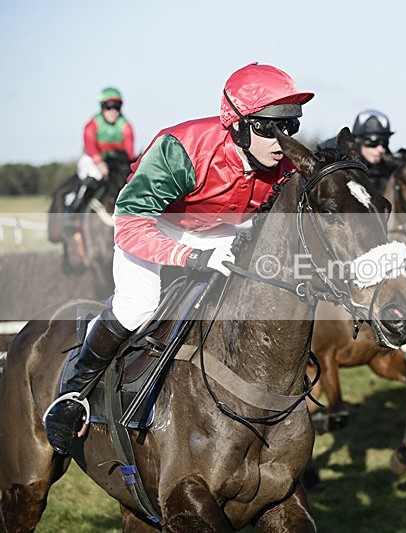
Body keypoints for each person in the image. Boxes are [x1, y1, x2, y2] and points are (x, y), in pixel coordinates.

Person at [44, 63, 314, 454]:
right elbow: (130, 224)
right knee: (138, 306)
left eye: (289, 127)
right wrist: (188, 257)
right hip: (152, 224)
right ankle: (72, 395)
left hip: (220, 229)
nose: (281, 140)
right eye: (267, 127)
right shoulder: (181, 150)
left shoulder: (284, 166)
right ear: (236, 124)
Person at [67, 87, 136, 215]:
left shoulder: (126, 126)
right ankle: (73, 212)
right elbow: (90, 146)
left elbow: (129, 153)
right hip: (91, 160)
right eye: (108, 107)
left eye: (117, 106)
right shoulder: (92, 124)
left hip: (113, 163)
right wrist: (99, 163)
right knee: (93, 176)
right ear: (102, 107)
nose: (113, 111)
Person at [319, 109, 394, 192]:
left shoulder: (390, 168)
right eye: (373, 142)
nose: (380, 149)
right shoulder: (332, 160)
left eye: (384, 142)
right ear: (357, 140)